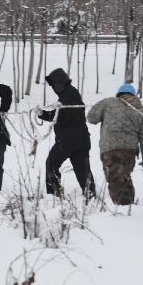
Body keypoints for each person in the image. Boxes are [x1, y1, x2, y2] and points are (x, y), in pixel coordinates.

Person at [39, 68, 96, 200]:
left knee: (51, 164)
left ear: (60, 83)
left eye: (54, 85)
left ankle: (54, 195)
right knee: (83, 170)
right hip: (81, 140)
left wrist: (45, 114)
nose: (53, 87)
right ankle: (91, 196)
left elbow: (63, 115)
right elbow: (61, 114)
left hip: (68, 141)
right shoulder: (68, 95)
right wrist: (44, 114)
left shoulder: (70, 94)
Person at [87, 83, 143, 206]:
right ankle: (130, 207)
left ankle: (122, 210)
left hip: (111, 148)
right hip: (131, 151)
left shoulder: (109, 102)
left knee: (115, 179)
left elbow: (91, 118)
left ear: (119, 94)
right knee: (124, 177)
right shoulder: (141, 110)